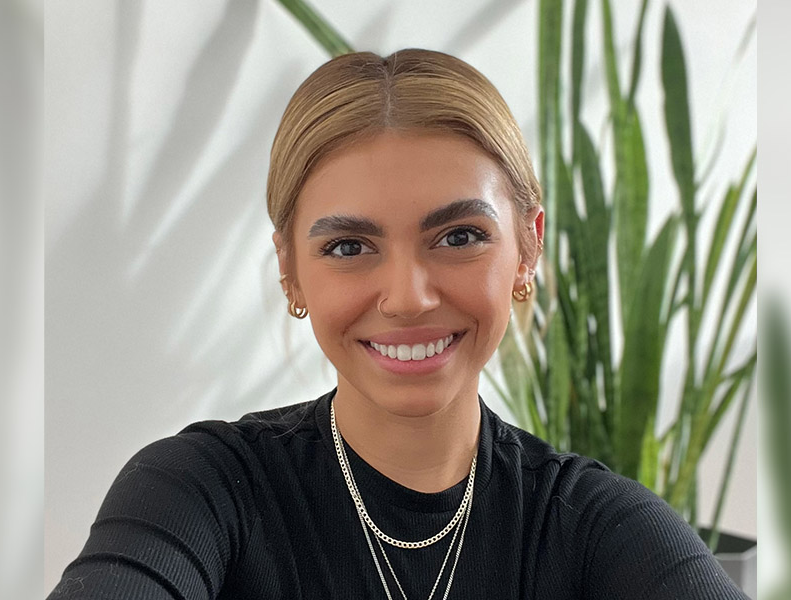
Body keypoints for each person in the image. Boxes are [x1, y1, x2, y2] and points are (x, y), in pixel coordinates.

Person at [47, 49, 747, 599]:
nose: (408, 298)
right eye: (349, 248)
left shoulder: (594, 524)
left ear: (527, 247)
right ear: (291, 268)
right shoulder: (200, 490)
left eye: (459, 237)